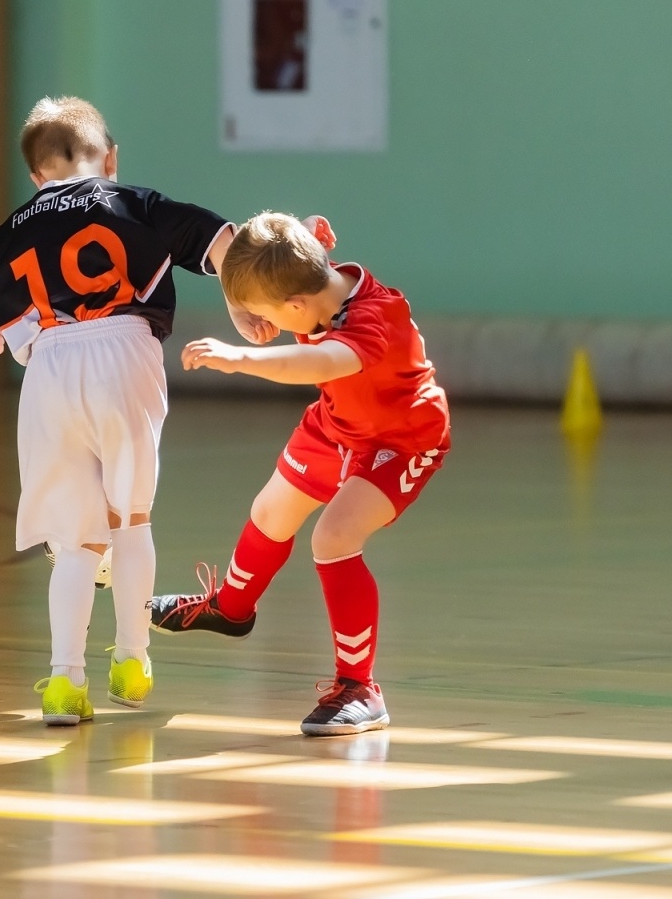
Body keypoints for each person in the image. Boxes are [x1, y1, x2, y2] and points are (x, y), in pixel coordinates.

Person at [0, 96, 295, 725]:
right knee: (131, 520)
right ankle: (133, 659)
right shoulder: (134, 200)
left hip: (51, 367)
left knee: (76, 540)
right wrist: (240, 301)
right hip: (126, 354)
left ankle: (62, 683)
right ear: (109, 158)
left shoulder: (14, 226)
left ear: (36, 176)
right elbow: (219, 237)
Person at [149, 212, 450, 737]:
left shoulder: (372, 323)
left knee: (333, 536)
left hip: (400, 442)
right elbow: (283, 245)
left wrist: (239, 356)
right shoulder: (314, 276)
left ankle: (360, 688)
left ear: (295, 307)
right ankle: (231, 609)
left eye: (268, 315)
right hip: (338, 424)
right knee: (271, 511)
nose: (268, 325)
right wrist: (305, 230)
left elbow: (311, 366)